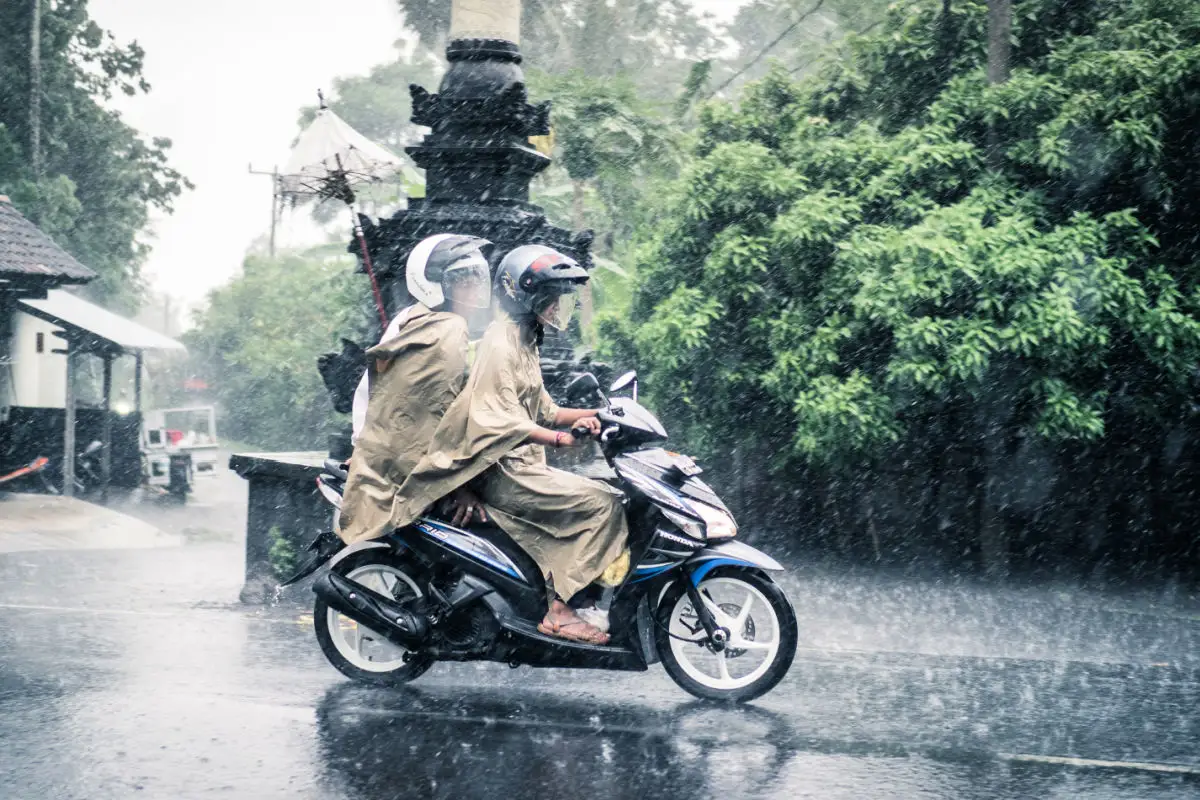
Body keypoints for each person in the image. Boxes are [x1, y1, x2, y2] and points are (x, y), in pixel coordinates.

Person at [388, 245, 628, 645]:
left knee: (604, 495)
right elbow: (497, 418)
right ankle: (560, 611)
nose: (557, 308)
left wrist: (601, 417)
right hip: (503, 470)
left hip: (522, 462)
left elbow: (544, 409)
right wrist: (558, 439)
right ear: (524, 295)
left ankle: (581, 595)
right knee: (602, 504)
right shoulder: (500, 344)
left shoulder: (523, 338)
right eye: (551, 299)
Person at [337, 233, 492, 545]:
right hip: (409, 468)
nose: (475, 290)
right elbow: (428, 418)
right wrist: (457, 486)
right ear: (435, 285)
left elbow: (377, 392)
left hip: (390, 454)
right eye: (463, 280)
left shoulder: (424, 321)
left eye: (477, 278)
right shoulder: (444, 331)